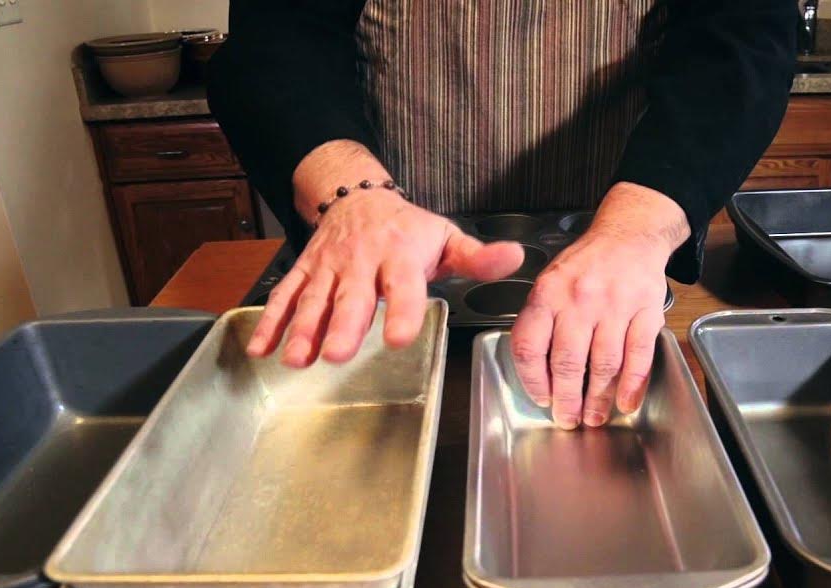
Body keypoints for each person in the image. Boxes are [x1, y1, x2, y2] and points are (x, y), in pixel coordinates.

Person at [208, 0, 796, 429]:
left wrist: (635, 229)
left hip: (609, 271)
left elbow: (740, 39)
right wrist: (351, 196)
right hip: (389, 262)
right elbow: (277, 33)